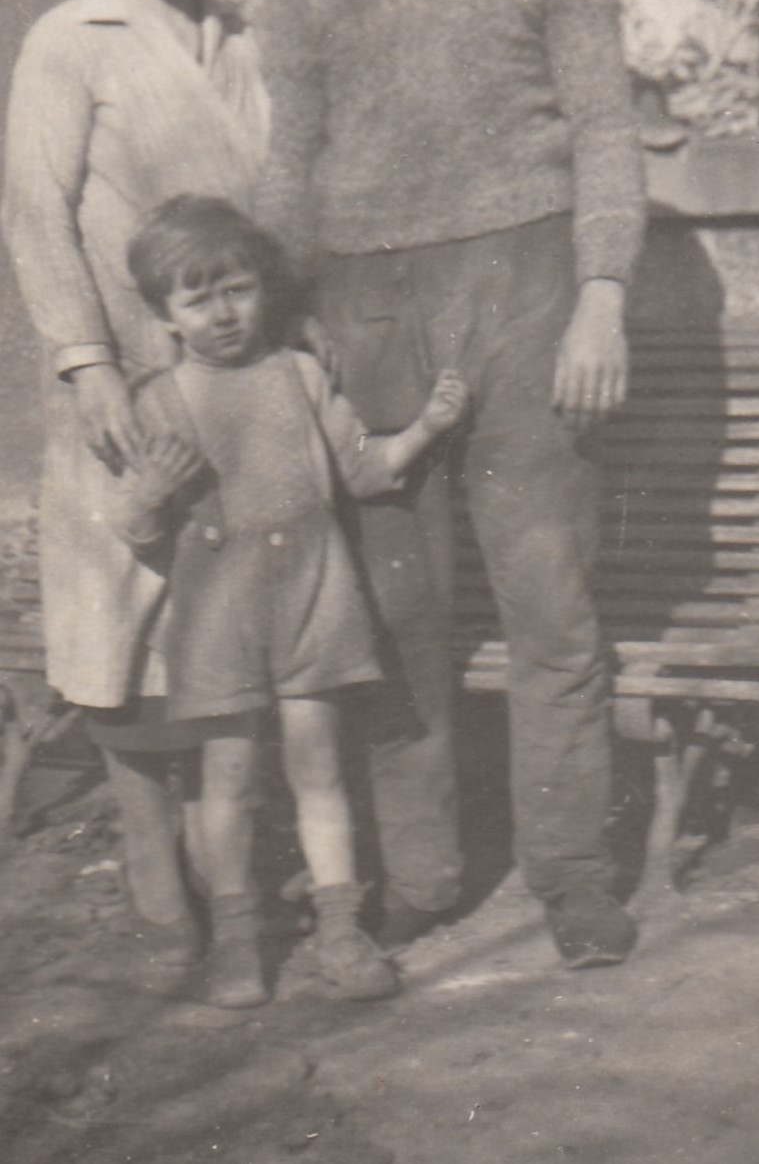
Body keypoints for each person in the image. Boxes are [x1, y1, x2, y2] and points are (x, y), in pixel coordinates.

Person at [257, 0, 646, 967]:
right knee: (397, 611)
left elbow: (604, 130)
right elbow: (289, 168)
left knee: (549, 604)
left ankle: (573, 877)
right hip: (366, 310)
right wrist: (286, 323)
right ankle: (422, 875)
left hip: (526, 294)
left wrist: (600, 293)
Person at [2, 0, 269, 976]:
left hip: (231, 370)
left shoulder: (239, 37)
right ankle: (162, 900)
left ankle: (231, 886)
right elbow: (35, 213)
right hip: (118, 376)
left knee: (219, 635)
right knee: (122, 631)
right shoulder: (70, 41)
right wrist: (87, 362)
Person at [116, 195, 468, 1007]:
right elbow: (135, 532)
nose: (223, 315)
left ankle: (340, 932)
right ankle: (237, 942)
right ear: (165, 317)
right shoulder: (159, 401)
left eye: (237, 290)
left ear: (262, 291)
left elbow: (363, 469)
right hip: (218, 619)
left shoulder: (300, 375)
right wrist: (149, 495)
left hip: (315, 600)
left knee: (319, 770)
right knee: (228, 779)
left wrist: (427, 427)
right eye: (197, 301)